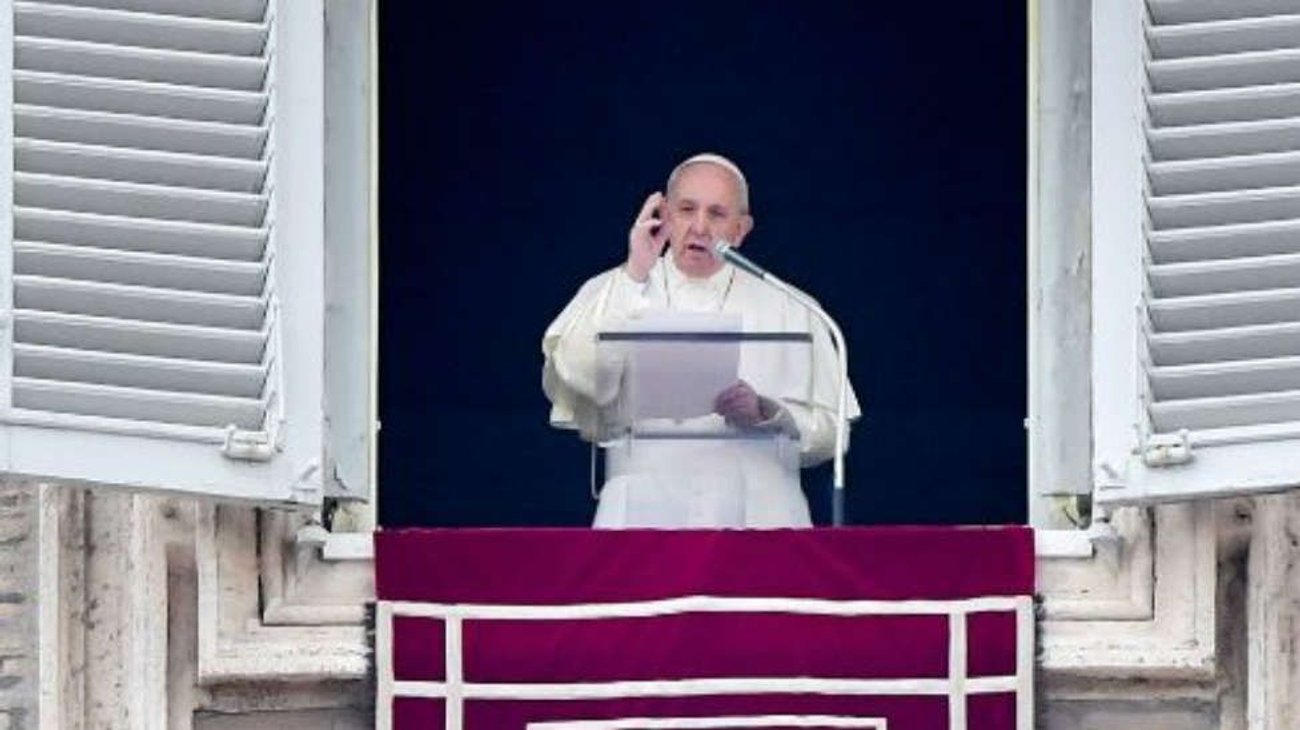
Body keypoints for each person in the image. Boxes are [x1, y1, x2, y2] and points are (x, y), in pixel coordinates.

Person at [542, 153, 860, 528]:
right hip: (641, 517)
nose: (699, 227)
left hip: (762, 519)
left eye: (717, 214)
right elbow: (578, 378)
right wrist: (634, 274)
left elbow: (833, 432)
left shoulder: (793, 307)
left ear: (741, 229)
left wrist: (768, 412)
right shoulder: (613, 289)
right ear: (665, 215)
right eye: (686, 209)